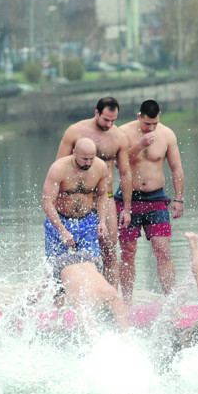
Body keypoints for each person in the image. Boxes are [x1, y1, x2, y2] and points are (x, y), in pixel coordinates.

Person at [41, 137, 129, 330]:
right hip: (60, 221)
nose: (88, 163)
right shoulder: (58, 169)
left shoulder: (99, 168)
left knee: (92, 265)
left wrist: (102, 221)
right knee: (58, 272)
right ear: (74, 153)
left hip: (87, 221)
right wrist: (63, 231)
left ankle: (97, 311)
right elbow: (47, 202)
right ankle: (60, 319)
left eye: (91, 158)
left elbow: (102, 195)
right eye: (84, 159)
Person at [55, 96, 133, 287]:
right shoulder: (75, 131)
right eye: (106, 119)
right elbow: (58, 167)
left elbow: (125, 174)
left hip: (105, 197)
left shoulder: (119, 137)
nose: (109, 124)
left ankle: (109, 302)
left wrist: (126, 209)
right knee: (66, 254)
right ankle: (69, 297)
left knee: (109, 251)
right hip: (77, 198)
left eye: (113, 120)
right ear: (96, 113)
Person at [116, 100, 185, 301]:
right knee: (128, 252)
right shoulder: (123, 132)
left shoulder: (167, 135)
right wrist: (139, 145)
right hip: (128, 199)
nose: (151, 128)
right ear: (139, 117)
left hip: (156, 199)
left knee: (163, 251)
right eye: (147, 124)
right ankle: (126, 302)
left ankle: (171, 303)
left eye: (154, 123)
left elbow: (176, 168)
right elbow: (119, 165)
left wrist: (179, 199)